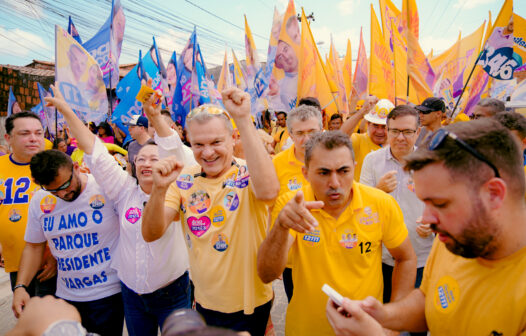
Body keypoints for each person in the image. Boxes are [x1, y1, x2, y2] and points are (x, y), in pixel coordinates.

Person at [326, 118, 526, 335]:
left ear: (494, 194)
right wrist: (382, 315)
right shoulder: (453, 237)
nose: (428, 219)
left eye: (440, 204)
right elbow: (428, 299)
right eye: (425, 202)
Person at [44, 84, 196, 335]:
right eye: (141, 159)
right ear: (133, 164)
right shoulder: (124, 190)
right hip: (132, 294)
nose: (147, 163)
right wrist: (66, 109)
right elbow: (95, 152)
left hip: (172, 291)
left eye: (154, 159)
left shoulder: (175, 190)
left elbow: (173, 148)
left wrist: (155, 117)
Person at [141, 87, 279, 335]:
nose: (207, 152)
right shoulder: (182, 178)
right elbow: (151, 233)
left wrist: (242, 117)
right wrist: (159, 190)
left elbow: (268, 193)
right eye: (198, 144)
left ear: (233, 138)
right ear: (189, 144)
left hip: (251, 305)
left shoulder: (250, 172)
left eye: (216, 142)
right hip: (204, 304)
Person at [258, 131, 416, 336]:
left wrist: (394, 321)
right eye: (324, 173)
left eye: (343, 171)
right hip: (306, 330)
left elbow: (406, 258)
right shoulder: (292, 204)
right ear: (305, 173)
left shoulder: (380, 204)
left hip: (364, 330)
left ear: (354, 168)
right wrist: (281, 227)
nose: (335, 182)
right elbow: (267, 273)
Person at [12, 149, 123, 335]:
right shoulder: (40, 200)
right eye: (53, 190)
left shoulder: (104, 189)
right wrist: (21, 286)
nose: (63, 194)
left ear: (76, 168)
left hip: (108, 295)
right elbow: (33, 246)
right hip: (66, 296)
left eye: (66, 185)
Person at [360, 106, 433, 314]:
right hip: (382, 256)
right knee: (382, 316)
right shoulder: (372, 161)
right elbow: (360, 208)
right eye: (395, 131)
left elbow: (443, 207)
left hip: (420, 257)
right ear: (388, 130)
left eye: (407, 132)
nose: (400, 137)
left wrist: (434, 224)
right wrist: (377, 191)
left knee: (416, 318)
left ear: (418, 132)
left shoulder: (430, 163)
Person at [0, 112, 57, 297]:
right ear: (8, 138)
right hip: (16, 263)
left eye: (38, 133)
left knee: (52, 321)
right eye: (25, 133)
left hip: (55, 264)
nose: (33, 139)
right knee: (27, 319)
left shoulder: (59, 167)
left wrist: (56, 256)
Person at [271, 104, 323, 302]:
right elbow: (270, 210)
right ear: (290, 134)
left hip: (329, 253)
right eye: (299, 133)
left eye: (312, 132)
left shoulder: (334, 158)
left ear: (322, 129)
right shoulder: (277, 164)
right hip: (293, 260)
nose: (306, 139)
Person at [340, 97, 391, 180]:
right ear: (368, 124)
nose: (379, 131)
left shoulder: (396, 146)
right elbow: (340, 137)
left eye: (384, 127)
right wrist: (362, 112)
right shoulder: (359, 140)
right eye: (375, 125)